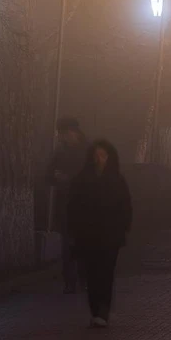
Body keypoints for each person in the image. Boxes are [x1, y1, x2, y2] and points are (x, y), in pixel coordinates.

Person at [67, 140, 132, 328]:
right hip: (88, 235)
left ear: (109, 157)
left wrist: (123, 226)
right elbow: (73, 207)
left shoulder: (117, 180)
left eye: (103, 155)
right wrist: (74, 230)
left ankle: (103, 310)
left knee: (106, 272)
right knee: (92, 273)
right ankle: (95, 310)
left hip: (110, 236)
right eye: (96, 155)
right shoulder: (81, 180)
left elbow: (125, 205)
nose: (99, 160)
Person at [48, 117, 88, 294]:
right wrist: (54, 176)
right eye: (61, 135)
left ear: (74, 132)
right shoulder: (60, 151)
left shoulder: (88, 150)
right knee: (67, 244)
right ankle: (70, 282)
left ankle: (84, 279)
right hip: (66, 204)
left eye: (64, 134)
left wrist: (68, 178)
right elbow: (48, 174)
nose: (63, 138)